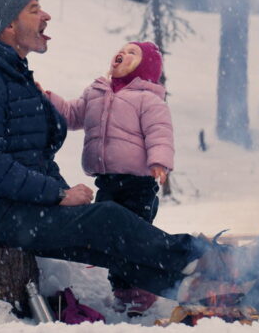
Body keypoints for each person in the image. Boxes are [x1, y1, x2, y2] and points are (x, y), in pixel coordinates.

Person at [0, 0, 259, 317]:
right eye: (34, 9)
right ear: (8, 25)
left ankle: (222, 297)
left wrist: (62, 195)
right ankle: (230, 263)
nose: (46, 16)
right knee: (108, 222)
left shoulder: (11, 78)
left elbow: (30, 157)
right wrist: (57, 194)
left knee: (108, 238)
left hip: (5, 205)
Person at [41, 40, 174, 314]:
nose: (123, 53)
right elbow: (72, 115)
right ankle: (123, 291)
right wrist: (49, 98)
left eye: (133, 53)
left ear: (146, 68)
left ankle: (142, 290)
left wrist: (159, 161)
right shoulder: (96, 92)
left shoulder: (148, 99)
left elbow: (160, 132)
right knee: (111, 240)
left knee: (135, 238)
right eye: (123, 49)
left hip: (138, 184)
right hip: (107, 183)